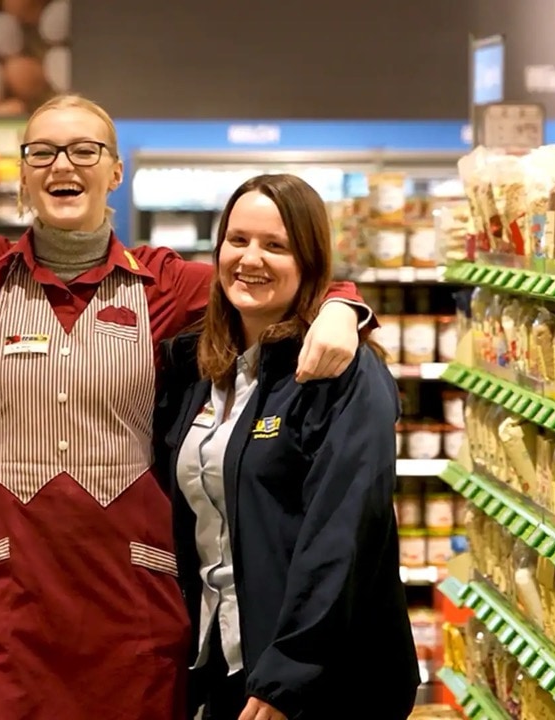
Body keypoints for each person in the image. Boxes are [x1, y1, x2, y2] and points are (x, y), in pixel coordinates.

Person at [0, 94, 375, 720]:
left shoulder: (166, 283)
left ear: (115, 172)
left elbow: (270, 278)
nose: (62, 164)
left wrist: (341, 306)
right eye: (42, 152)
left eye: (84, 150)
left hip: (132, 597)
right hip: (4, 592)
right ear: (24, 173)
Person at [156, 173, 419, 720]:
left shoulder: (343, 374)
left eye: (276, 246)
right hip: (224, 661)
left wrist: (290, 671)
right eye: (239, 240)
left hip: (315, 683)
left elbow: (342, 535)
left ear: (309, 260)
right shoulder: (198, 367)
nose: (251, 259)